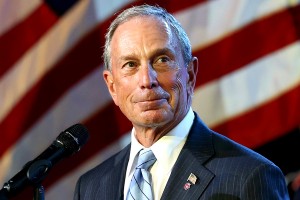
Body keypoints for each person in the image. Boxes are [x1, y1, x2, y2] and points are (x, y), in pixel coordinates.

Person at [74, 4, 289, 200]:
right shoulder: (90, 188)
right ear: (112, 86)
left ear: (191, 74)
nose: (147, 80)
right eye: (130, 64)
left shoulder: (250, 177)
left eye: (162, 60)